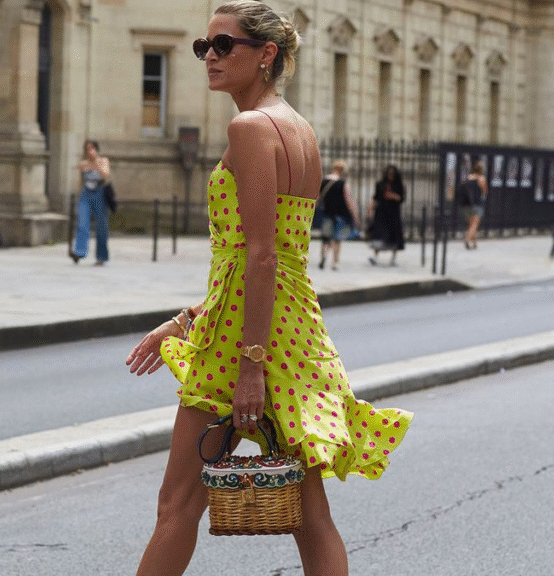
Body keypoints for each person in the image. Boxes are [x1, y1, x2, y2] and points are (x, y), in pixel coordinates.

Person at [125, 3, 412, 575]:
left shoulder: (250, 128)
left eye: (223, 45)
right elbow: (272, 261)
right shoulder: (298, 128)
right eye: (204, 46)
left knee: (177, 505)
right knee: (311, 518)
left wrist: (250, 365)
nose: (210, 57)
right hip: (294, 330)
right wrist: (183, 321)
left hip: (246, 341)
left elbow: (259, 256)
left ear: (267, 54)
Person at [70, 139, 112, 265]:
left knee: (101, 226)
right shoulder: (83, 164)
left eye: (92, 148)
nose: (90, 151)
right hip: (86, 193)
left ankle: (101, 256)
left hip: (99, 192)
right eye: (87, 149)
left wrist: (96, 164)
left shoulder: (103, 161)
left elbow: (106, 175)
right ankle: (79, 252)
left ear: (96, 149)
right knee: (82, 223)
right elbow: (80, 181)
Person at [318, 159, 359, 271]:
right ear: (342, 170)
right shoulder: (342, 183)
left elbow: (318, 197)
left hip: (327, 212)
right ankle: (335, 263)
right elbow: (348, 201)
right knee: (337, 239)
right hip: (340, 214)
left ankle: (324, 256)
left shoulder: (324, 181)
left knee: (326, 238)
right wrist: (355, 216)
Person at [367, 164, 406, 266]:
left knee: (394, 235)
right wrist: (370, 210)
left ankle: (393, 258)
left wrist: (393, 196)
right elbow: (375, 197)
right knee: (379, 234)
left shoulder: (399, 185)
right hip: (381, 212)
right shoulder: (380, 184)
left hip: (393, 213)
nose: (390, 176)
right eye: (389, 174)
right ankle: (375, 256)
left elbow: (402, 198)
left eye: (392, 174)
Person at [457, 161, 488, 249]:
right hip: (477, 204)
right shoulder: (482, 178)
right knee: (475, 225)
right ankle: (467, 239)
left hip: (467, 204)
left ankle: (475, 244)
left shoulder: (469, 177)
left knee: (471, 225)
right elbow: (485, 191)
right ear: (482, 170)